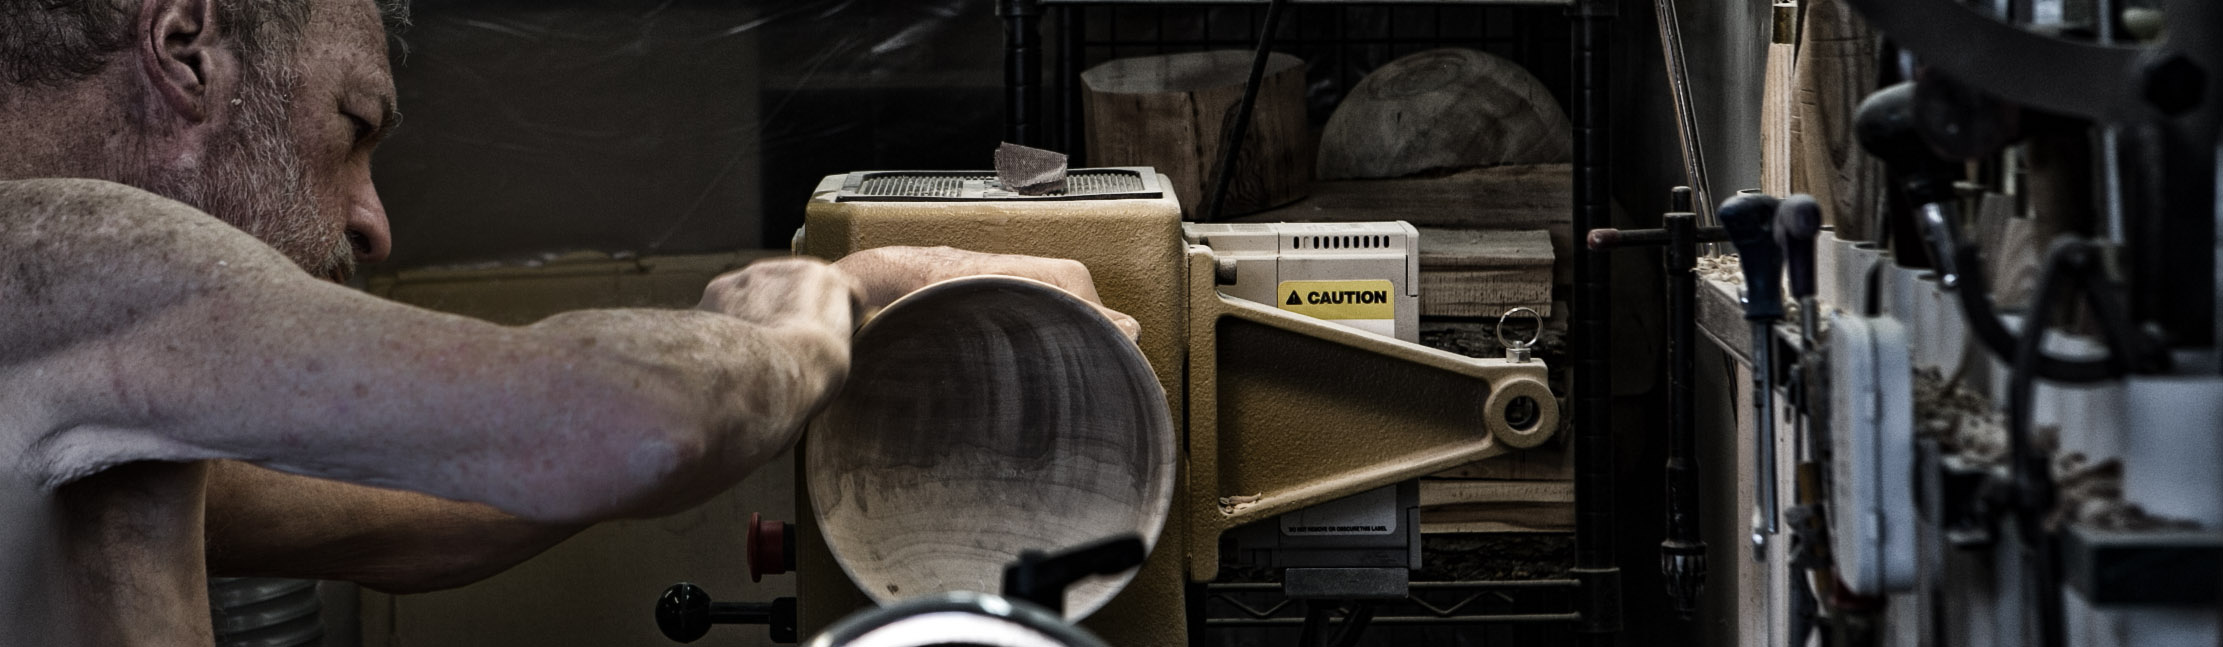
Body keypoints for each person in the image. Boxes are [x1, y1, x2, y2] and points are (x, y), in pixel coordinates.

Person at [0, 0, 1136, 644]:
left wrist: (835, 287)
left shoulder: (84, 379)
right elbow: (626, 418)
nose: (372, 219)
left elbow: (419, 519)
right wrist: (811, 307)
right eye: (353, 126)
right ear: (185, 45)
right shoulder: (59, 251)